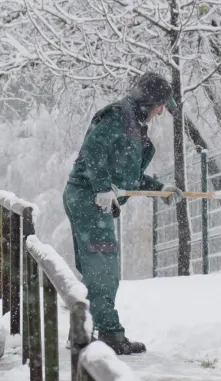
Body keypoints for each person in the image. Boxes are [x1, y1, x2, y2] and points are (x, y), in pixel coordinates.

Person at [63, 72, 185, 355]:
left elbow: (127, 176)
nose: (161, 111)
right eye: (160, 104)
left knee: (97, 270)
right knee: (104, 271)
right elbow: (93, 151)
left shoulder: (134, 123)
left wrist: (160, 188)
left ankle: (83, 331)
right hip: (87, 198)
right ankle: (108, 334)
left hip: (91, 198)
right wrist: (102, 188)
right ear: (149, 101)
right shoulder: (119, 115)